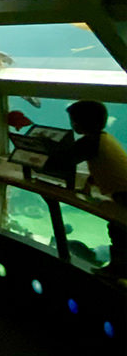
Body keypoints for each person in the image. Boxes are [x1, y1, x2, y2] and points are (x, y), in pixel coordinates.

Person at [66, 100, 127, 279]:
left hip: (124, 196)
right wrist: (86, 187)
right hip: (122, 194)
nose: (73, 124)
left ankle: (118, 271)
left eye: (73, 120)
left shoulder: (90, 142)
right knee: (119, 230)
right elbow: (104, 168)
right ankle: (119, 270)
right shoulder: (105, 138)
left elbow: (62, 160)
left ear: (80, 122)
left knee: (120, 231)